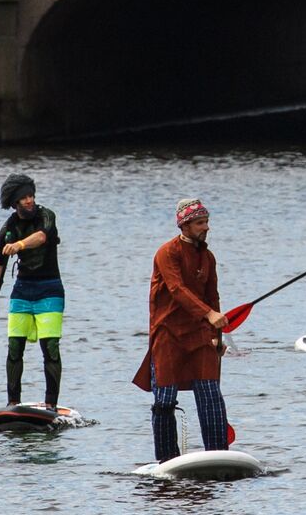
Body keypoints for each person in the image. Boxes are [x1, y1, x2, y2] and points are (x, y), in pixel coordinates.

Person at [132, 198, 230, 462]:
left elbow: (214, 298)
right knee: (165, 399)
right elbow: (177, 290)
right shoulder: (167, 252)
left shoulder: (208, 257)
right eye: (200, 223)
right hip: (168, 333)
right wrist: (209, 314)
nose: (206, 227)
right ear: (184, 225)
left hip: (199, 334)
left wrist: (217, 337)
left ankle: (219, 454)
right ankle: (166, 460)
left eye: (207, 222)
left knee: (211, 395)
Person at [0, 174, 63, 407]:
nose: (29, 200)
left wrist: (19, 245)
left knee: (50, 347)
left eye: (31, 196)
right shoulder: (8, 228)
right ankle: (13, 404)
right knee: (14, 347)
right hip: (22, 291)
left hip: (50, 290)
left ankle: (51, 404)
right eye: (23, 198)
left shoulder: (46, 216)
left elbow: (41, 237)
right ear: (14, 202)